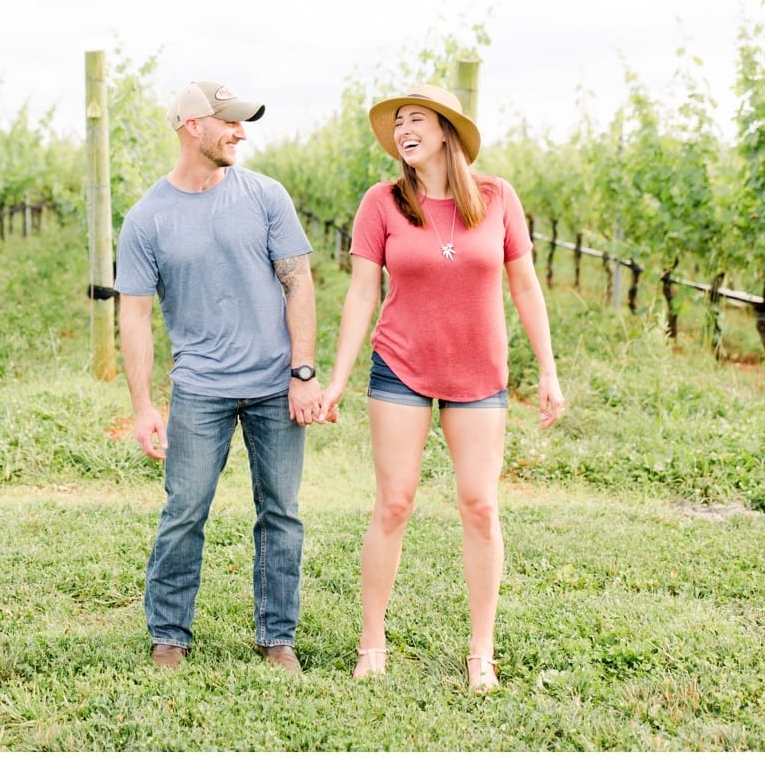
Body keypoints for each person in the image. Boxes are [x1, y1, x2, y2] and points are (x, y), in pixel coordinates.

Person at [319, 83, 564, 691]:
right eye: (397, 121)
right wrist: (338, 377)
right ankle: (371, 638)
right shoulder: (381, 202)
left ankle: (482, 649)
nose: (404, 127)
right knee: (394, 502)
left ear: (447, 131)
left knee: (480, 505)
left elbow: (526, 288)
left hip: (479, 373)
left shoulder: (496, 198)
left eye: (417, 118)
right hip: (400, 365)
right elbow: (360, 293)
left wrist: (550, 371)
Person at [116, 79, 328, 676]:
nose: (240, 133)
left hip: (273, 385)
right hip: (200, 389)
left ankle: (276, 635)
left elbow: (299, 283)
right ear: (192, 126)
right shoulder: (147, 218)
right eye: (228, 122)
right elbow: (133, 315)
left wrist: (303, 373)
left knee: (281, 511)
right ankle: (170, 636)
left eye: (243, 123)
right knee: (185, 509)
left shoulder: (265, 196)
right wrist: (143, 405)